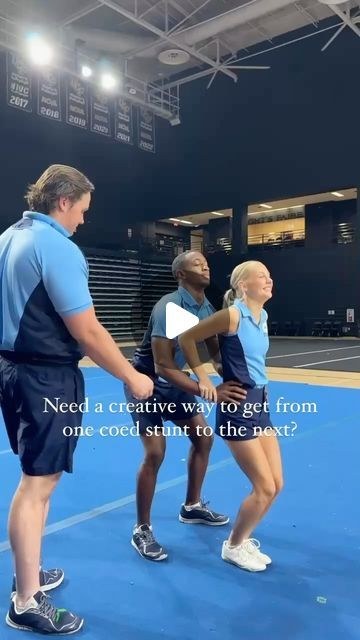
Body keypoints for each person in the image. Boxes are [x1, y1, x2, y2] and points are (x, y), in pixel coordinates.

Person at [0, 164, 154, 634]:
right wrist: (132, 376)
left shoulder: (8, 237)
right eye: (83, 210)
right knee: (37, 486)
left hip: (13, 370)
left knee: (37, 479)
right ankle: (26, 601)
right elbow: (86, 330)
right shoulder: (55, 246)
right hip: (45, 378)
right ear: (63, 201)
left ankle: (29, 573)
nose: (84, 220)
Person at [125, 250, 246, 561]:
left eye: (206, 261)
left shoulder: (206, 307)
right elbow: (163, 365)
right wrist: (209, 392)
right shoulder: (170, 307)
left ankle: (191, 506)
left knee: (203, 438)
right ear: (180, 274)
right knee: (155, 453)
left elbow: (216, 354)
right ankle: (142, 529)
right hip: (147, 381)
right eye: (196, 263)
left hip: (176, 380)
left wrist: (240, 380)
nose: (204, 265)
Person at [179, 260, 284, 572]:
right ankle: (234, 546)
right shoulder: (233, 314)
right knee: (263, 487)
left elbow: (235, 355)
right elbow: (187, 339)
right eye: (261, 276)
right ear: (243, 285)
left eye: (269, 274)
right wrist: (206, 380)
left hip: (260, 403)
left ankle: (244, 538)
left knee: (277, 484)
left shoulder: (261, 315)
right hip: (238, 409)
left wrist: (223, 366)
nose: (269, 279)